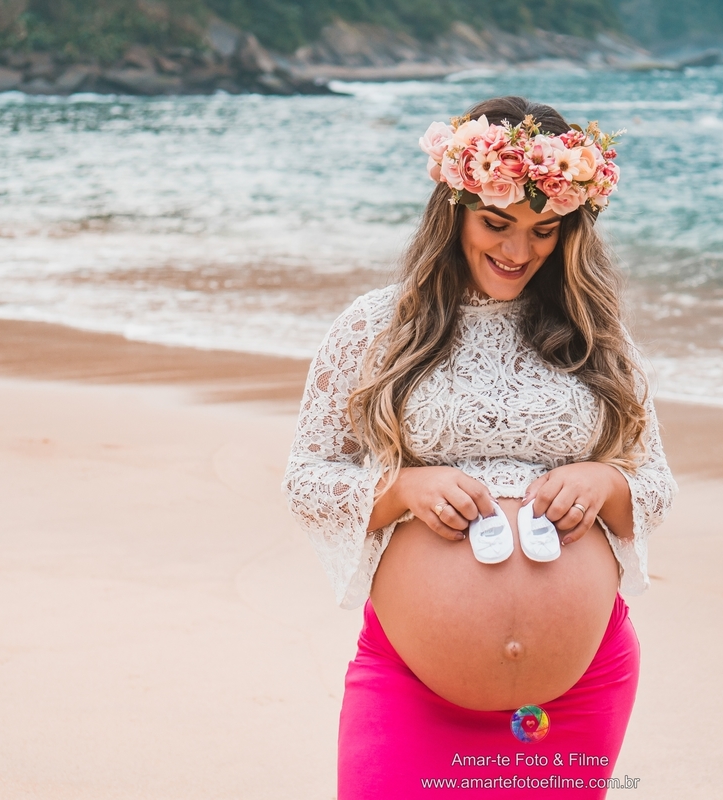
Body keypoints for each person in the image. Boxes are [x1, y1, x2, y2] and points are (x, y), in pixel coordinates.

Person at [284, 95, 676, 798]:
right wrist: (401, 490)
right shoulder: (377, 325)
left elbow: (654, 484)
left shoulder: (597, 335)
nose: (518, 251)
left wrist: (607, 483)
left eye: (544, 230)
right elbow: (307, 479)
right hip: (411, 686)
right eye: (497, 223)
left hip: (578, 693)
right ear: (454, 208)